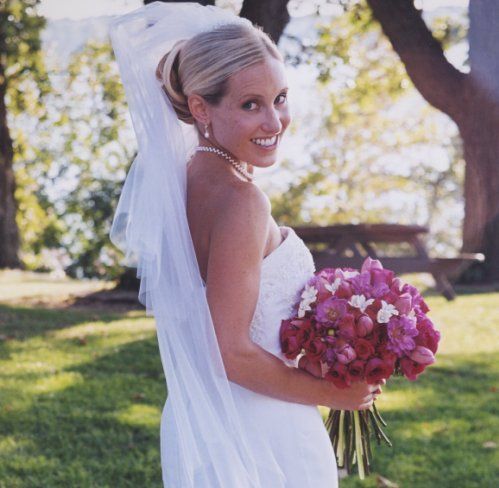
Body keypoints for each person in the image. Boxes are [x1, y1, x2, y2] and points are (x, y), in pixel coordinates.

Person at [110, 3, 382, 486]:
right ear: (200, 108)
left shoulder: (191, 179)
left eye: (280, 98)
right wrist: (333, 394)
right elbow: (228, 352)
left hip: (206, 419)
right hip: (260, 430)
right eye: (250, 104)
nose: (274, 121)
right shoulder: (241, 201)